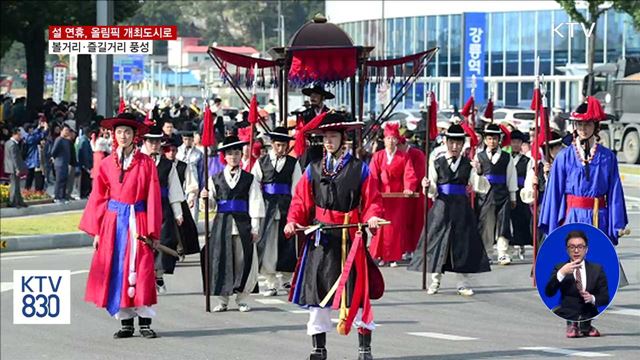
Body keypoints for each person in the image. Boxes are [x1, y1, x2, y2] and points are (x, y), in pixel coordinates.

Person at [284, 111, 385, 360]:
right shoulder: (314, 169)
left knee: (357, 293)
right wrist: (293, 221)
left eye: (332, 137)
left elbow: (372, 200)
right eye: (325, 137)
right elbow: (300, 201)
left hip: (350, 236)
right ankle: (318, 348)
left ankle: (364, 348)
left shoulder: (359, 168)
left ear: (343, 139)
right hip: (320, 237)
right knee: (318, 292)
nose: (328, 141)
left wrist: (372, 217)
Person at [78, 113, 161, 339]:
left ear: (135, 136)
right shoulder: (105, 164)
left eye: (128, 132)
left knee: (141, 269)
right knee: (117, 269)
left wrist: (152, 231)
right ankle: (125, 322)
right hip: (113, 223)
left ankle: (145, 321)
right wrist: (97, 230)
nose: (123, 136)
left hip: (138, 220)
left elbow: (153, 197)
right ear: (113, 135)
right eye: (119, 132)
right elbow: (98, 198)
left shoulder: (147, 163)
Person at [408, 124, 491, 296]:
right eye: (451, 142)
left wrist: (480, 172)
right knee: (439, 243)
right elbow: (431, 189)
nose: (455, 147)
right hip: (441, 207)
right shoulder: (436, 162)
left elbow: (480, 187)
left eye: (458, 143)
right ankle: (435, 280)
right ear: (445, 142)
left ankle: (463, 283)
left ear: (463, 144)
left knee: (463, 244)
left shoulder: (469, 164)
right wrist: (427, 186)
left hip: (462, 208)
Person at [540, 96, 628, 246]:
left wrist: (617, 223)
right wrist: (552, 223)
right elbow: (555, 192)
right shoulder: (563, 157)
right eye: (579, 124)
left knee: (597, 265)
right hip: (572, 216)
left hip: (599, 217)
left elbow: (615, 192)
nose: (583, 129)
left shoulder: (608, 157)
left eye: (587, 124)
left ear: (596, 125)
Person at [200, 135, 264, 312]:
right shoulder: (215, 178)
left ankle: (242, 297)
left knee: (243, 260)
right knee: (222, 260)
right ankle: (223, 299)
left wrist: (255, 226)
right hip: (222, 224)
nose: (233, 157)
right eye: (230, 154)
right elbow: (211, 204)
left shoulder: (249, 179)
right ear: (224, 157)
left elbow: (255, 202)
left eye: (237, 153)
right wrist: (206, 198)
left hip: (242, 223)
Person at [251, 127, 302, 296]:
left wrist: (297, 210)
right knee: (269, 244)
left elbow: (297, 188)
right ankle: (270, 280)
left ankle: (286, 278)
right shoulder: (261, 162)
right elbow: (253, 185)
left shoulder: (293, 163)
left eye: (284, 146)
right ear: (272, 144)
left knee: (288, 244)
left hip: (286, 206)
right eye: (278, 145)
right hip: (267, 206)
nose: (281, 149)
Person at [141, 126, 184, 295]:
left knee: (165, 240)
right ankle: (144, 275)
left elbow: (174, 187)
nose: (154, 145)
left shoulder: (167, 164)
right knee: (144, 243)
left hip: (163, 206)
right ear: (145, 142)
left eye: (157, 141)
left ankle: (158, 274)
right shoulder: (138, 161)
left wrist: (178, 211)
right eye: (151, 141)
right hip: (143, 207)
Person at [368, 122, 418, 267]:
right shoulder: (378, 156)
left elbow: (409, 174)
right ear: (384, 140)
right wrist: (374, 190)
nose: (391, 141)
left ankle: (394, 256)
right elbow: (372, 175)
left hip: (397, 197)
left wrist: (408, 188)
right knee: (381, 226)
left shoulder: (404, 157)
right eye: (388, 138)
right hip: (381, 196)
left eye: (393, 138)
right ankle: (381, 255)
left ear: (397, 140)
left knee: (395, 226)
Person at [544, 230, 609, 338]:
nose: (576, 251)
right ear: (567, 250)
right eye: (572, 247)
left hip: (589, 311)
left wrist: (592, 298)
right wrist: (561, 274)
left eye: (580, 247)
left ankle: (586, 325)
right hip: (568, 311)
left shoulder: (597, 269)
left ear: (586, 249)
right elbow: (549, 292)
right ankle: (571, 324)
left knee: (590, 323)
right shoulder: (560, 268)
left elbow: (605, 297)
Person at [473, 123, 518, 265]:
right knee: (486, 224)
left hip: (502, 193)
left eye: (495, 139)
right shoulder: (479, 156)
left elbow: (511, 177)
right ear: (485, 140)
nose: (492, 142)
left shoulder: (506, 157)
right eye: (489, 139)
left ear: (499, 140)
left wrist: (512, 196)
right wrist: (479, 173)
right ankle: (486, 252)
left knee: (503, 223)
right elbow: (474, 179)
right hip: (485, 194)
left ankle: (502, 253)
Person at [162, 137, 200, 259]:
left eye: (173, 150)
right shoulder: (160, 165)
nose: (171, 153)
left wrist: (191, 197)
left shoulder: (183, 166)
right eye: (168, 150)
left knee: (181, 225)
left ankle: (180, 247)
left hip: (179, 199)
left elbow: (191, 184)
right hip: (163, 200)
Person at [397, 134, 426, 256]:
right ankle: (405, 248)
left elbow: (419, 173)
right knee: (404, 223)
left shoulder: (417, 154)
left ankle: (415, 249)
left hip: (416, 194)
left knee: (416, 223)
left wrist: (410, 186)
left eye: (398, 145)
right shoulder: (398, 155)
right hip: (403, 194)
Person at [509, 130, 532, 260]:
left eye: (518, 142)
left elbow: (529, 176)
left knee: (522, 219)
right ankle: (510, 246)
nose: (516, 144)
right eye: (513, 142)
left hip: (521, 191)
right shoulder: (506, 158)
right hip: (509, 192)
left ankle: (522, 244)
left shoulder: (527, 160)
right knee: (510, 220)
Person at [298, 85, 334, 169]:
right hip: (310, 148)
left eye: (316, 95)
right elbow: (301, 130)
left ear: (323, 98)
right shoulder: (304, 114)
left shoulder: (329, 113)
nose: (312, 98)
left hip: (326, 147)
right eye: (311, 95)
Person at [177, 131, 204, 222]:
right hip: (179, 182)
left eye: (190, 139)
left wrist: (201, 187)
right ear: (182, 139)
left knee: (192, 210)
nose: (188, 141)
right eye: (185, 139)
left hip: (193, 184)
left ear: (193, 139)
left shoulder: (198, 153)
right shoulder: (177, 151)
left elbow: (201, 171)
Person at [3, 127, 27, 207]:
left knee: (16, 185)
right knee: (14, 186)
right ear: (14, 135)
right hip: (13, 168)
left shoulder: (8, 143)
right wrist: (17, 169)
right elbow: (14, 158)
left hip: (11, 168)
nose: (20, 137)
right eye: (19, 135)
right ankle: (12, 202)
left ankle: (19, 201)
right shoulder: (13, 144)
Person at [23, 120, 49, 191]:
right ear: (28, 129)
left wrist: (38, 127)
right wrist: (46, 129)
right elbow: (40, 136)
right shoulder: (29, 138)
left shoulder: (27, 136)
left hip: (31, 161)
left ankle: (28, 190)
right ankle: (33, 191)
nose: (33, 129)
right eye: (31, 128)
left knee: (30, 177)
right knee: (35, 177)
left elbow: (35, 133)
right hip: (33, 160)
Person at [50, 124, 72, 203]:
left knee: (64, 180)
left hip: (65, 163)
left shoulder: (67, 141)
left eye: (68, 130)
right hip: (59, 163)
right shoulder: (59, 139)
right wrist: (55, 159)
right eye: (65, 130)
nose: (67, 132)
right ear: (61, 131)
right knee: (59, 180)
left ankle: (63, 196)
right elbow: (53, 151)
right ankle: (57, 197)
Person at [77, 127, 93, 199]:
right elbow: (85, 154)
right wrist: (87, 165)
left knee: (84, 179)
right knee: (85, 180)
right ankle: (84, 193)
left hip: (82, 163)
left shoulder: (82, 139)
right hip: (85, 164)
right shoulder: (84, 141)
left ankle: (84, 193)